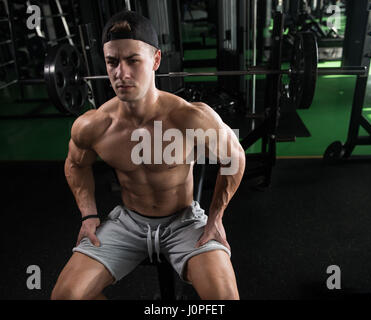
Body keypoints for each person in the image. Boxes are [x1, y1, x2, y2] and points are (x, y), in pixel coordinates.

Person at [50, 10, 245, 300]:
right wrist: (88, 214)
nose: (121, 73)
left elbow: (235, 157)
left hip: (184, 223)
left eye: (133, 60)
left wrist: (216, 217)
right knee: (65, 297)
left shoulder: (188, 117)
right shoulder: (94, 125)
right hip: (127, 223)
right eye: (112, 62)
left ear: (155, 60)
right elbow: (76, 164)